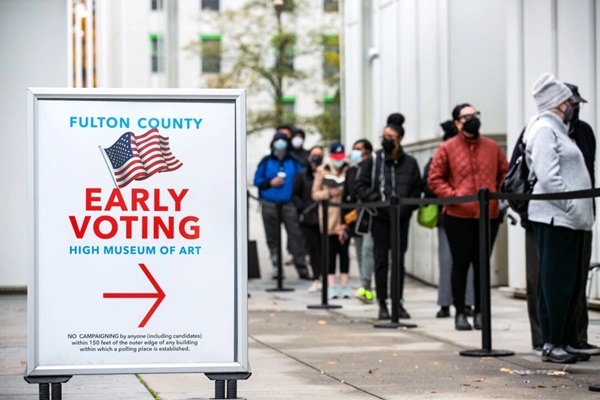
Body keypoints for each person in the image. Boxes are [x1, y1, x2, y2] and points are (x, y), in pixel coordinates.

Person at [510, 82, 599, 357]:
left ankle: (567, 339)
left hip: (570, 220)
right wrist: (571, 207)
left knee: (570, 283)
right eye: (568, 102)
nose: (573, 107)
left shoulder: (561, 130)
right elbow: (548, 178)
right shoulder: (544, 130)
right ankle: (552, 342)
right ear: (558, 103)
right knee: (554, 283)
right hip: (555, 219)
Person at [428, 103, 508, 331]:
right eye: (466, 117)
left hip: (488, 215)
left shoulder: (492, 147)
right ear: (457, 122)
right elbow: (435, 179)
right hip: (458, 216)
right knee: (460, 264)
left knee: (482, 264)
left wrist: (497, 193)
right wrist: (455, 196)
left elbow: (505, 173)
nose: (472, 119)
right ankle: (460, 312)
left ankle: (482, 313)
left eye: (475, 115)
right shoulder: (447, 148)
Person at [355, 122, 422, 320]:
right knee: (381, 260)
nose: (385, 140)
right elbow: (360, 184)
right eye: (383, 136)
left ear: (399, 138)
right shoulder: (374, 160)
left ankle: (397, 302)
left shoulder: (410, 162)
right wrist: (375, 199)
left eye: (390, 136)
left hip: (401, 219)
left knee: (399, 262)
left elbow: (417, 189)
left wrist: (407, 207)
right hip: (379, 218)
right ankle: (382, 303)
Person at [423, 121, 475, 319]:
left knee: (466, 262)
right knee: (448, 262)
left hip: (468, 213)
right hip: (447, 215)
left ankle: (467, 302)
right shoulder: (441, 155)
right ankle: (446, 302)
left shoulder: (471, 154)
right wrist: (452, 194)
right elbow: (429, 183)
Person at [253, 131, 310, 280]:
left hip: (289, 204)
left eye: (283, 140)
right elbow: (257, 180)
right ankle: (277, 268)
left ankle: (302, 268)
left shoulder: (293, 161)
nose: (280, 143)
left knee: (296, 237)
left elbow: (302, 179)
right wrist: (270, 182)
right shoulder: (266, 161)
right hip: (269, 204)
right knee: (272, 238)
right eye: (277, 140)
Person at [312, 141, 351, 299]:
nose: (338, 160)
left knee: (344, 253)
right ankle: (331, 286)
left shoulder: (349, 169)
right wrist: (330, 193)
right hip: (329, 218)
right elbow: (315, 193)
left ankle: (344, 285)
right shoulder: (323, 170)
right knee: (329, 253)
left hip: (345, 217)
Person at [342, 139, 375, 303]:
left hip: (370, 216)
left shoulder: (374, 168)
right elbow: (346, 196)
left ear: (367, 152)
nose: (355, 152)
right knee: (360, 252)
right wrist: (344, 220)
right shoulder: (351, 171)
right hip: (355, 217)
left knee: (368, 251)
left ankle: (366, 286)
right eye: (353, 149)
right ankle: (366, 288)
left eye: (359, 149)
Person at [293, 145, 324, 292]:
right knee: (313, 249)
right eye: (314, 154)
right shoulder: (302, 175)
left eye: (320, 154)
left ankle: (326, 278)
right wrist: (302, 209)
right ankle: (316, 277)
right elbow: (295, 194)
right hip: (309, 218)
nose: (317, 157)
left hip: (325, 218)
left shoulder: (327, 174)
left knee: (326, 250)